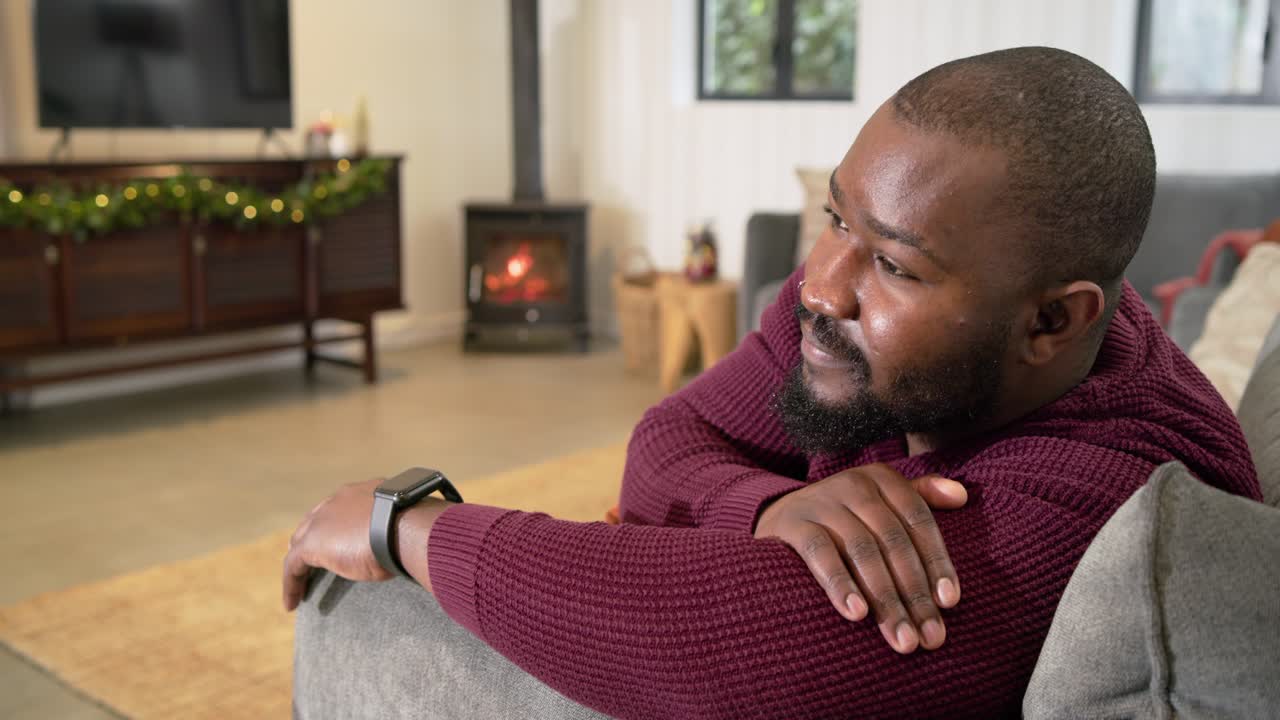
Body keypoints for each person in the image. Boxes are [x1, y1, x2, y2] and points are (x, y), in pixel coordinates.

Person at [282, 47, 1260, 718]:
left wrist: (402, 527)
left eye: (894, 263)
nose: (819, 284)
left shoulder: (1094, 493)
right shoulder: (868, 322)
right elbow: (662, 445)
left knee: (363, 603)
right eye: (836, 218)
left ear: (1052, 320)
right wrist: (763, 509)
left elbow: (720, 649)